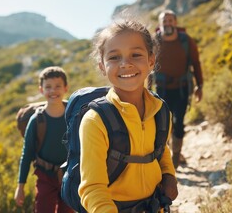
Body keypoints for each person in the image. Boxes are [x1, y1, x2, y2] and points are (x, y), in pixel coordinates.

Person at [78, 19, 178, 212]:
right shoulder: (95, 121)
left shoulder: (159, 110)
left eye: (136, 55)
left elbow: (160, 148)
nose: (126, 64)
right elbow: (92, 189)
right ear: (102, 65)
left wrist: (169, 174)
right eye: (114, 57)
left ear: (151, 60)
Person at [14, 66, 73, 213]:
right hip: (45, 177)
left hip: (70, 177)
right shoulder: (36, 120)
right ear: (41, 90)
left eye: (58, 86)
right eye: (48, 87)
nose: (53, 91)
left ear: (65, 88)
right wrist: (20, 187)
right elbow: (26, 154)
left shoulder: (73, 116)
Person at [155, 9, 203, 169]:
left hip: (182, 89)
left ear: (175, 22)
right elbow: (147, 66)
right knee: (163, 125)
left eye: (170, 20)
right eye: (164, 21)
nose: (167, 23)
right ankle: (165, 159)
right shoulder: (154, 42)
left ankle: (175, 160)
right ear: (160, 24)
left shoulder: (186, 41)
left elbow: (196, 63)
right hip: (161, 91)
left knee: (179, 123)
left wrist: (199, 85)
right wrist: (145, 89)